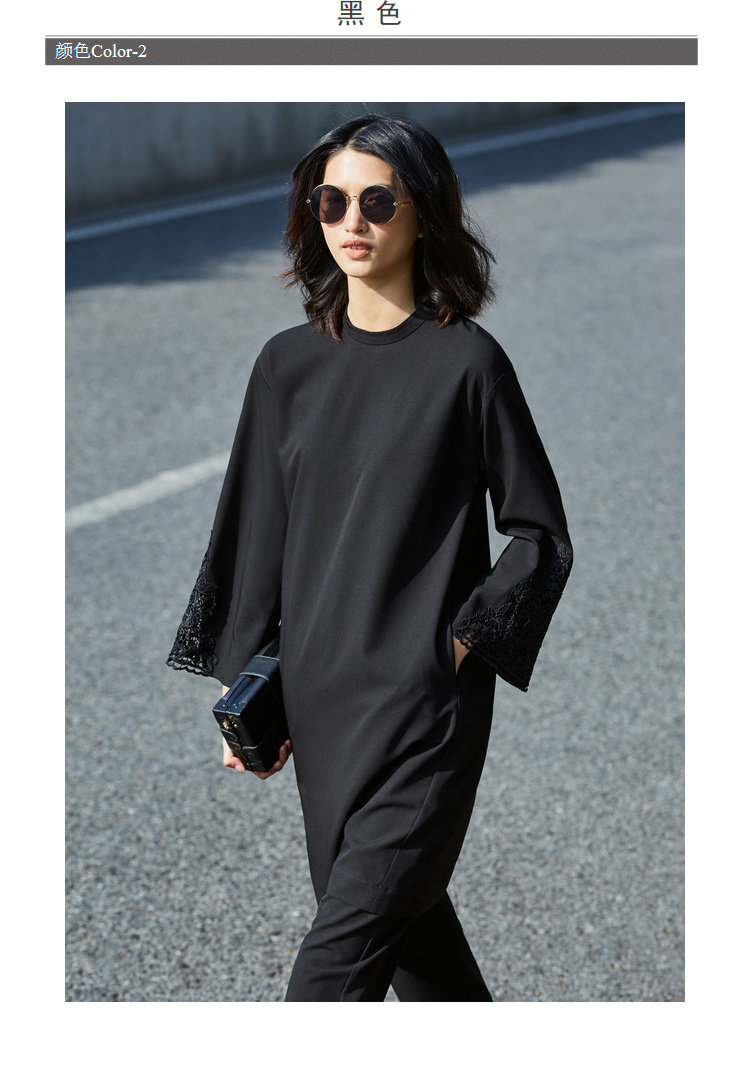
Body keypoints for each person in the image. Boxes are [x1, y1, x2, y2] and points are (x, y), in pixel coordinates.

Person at [167, 113, 573, 1001]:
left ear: (422, 214)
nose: (352, 221)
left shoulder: (468, 364)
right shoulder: (286, 367)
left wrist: (455, 645)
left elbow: (540, 535)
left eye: (378, 202)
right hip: (323, 707)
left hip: (424, 713)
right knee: (410, 939)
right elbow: (252, 539)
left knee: (332, 971)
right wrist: (247, 695)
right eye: (333, 201)